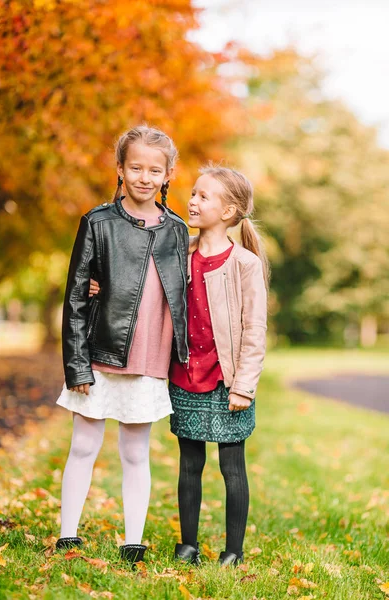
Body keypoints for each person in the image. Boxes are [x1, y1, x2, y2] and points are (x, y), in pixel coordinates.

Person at [55, 125, 189, 566]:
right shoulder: (98, 222)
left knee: (136, 451)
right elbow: (76, 297)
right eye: (136, 167)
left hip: (150, 359)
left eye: (155, 170)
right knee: (83, 446)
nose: (145, 177)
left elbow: (183, 291)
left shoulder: (177, 230)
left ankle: (134, 539)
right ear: (120, 169)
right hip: (100, 354)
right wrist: (76, 365)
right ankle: (68, 534)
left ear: (168, 174)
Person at [168, 165, 268, 567]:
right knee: (189, 463)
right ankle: (188, 545)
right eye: (192, 193)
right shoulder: (180, 254)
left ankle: (233, 552)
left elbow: (254, 329)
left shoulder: (244, 263)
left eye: (203, 196)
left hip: (227, 381)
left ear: (228, 211)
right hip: (185, 375)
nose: (192, 201)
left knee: (232, 466)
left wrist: (244, 385)